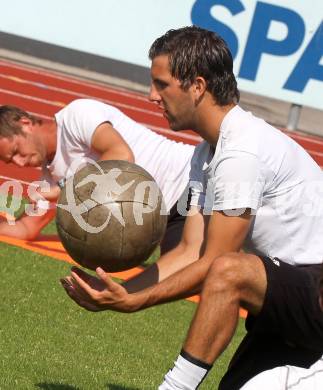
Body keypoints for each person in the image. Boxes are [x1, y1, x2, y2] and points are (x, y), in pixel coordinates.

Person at [60, 26, 323, 389]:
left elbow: (219, 265)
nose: (151, 95)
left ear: (197, 86)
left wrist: (135, 301)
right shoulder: (207, 152)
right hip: (293, 296)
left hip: (314, 288)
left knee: (230, 270)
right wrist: (120, 292)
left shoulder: (241, 152)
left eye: (161, 84)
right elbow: (190, 251)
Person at [0, 99, 195, 258]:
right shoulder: (49, 176)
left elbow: (121, 155)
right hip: (171, 216)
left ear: (25, 124)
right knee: (179, 269)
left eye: (16, 150)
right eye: (10, 161)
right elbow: (26, 229)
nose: (19, 163)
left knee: (192, 270)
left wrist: (62, 190)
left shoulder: (76, 115)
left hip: (192, 178)